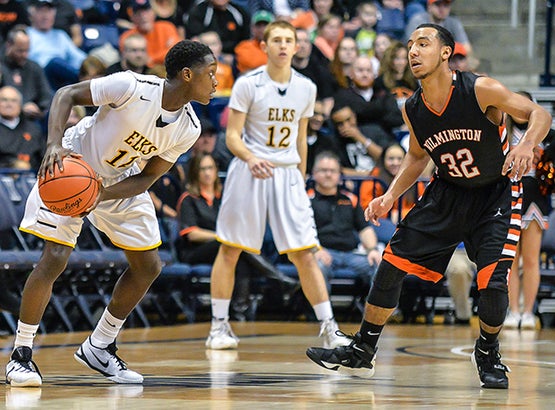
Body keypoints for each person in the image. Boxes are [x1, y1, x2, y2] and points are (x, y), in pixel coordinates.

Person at [306, 23, 552, 389]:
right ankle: (363, 349)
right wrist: (390, 195)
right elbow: (417, 157)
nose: (413, 51)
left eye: (423, 43)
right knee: (390, 263)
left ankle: (487, 351)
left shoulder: (479, 88)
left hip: (494, 195)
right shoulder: (412, 107)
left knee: (492, 281)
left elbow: (540, 115)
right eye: (410, 45)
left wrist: (525, 145)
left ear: (446, 53)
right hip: (446, 194)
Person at [5, 40, 218, 387]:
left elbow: (148, 176)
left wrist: (101, 194)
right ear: (187, 74)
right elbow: (65, 94)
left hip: (119, 179)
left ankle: (99, 346)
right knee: (56, 256)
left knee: (148, 265)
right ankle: (21, 355)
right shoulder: (131, 85)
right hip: (72, 163)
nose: (216, 82)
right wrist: (54, 144)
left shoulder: (189, 128)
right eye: (211, 74)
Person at [205, 20, 347, 351]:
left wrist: (300, 175)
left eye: (289, 40)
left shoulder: (307, 87)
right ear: (265, 47)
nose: (284, 46)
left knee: (305, 253)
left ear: (297, 47)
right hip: (249, 170)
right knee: (230, 249)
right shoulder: (247, 83)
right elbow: (232, 137)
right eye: (277, 40)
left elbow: (301, 139)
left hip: (286, 173)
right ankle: (219, 326)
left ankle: (329, 327)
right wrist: (251, 158)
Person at [176, 153, 298, 321]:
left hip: (227, 246)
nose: (207, 173)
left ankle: (239, 313)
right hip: (195, 251)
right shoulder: (189, 198)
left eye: (210, 168)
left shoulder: (224, 196)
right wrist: (222, 237)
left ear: (216, 170)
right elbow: (191, 234)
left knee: (238, 258)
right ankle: (278, 278)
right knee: (230, 246)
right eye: (202, 169)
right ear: (195, 172)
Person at [504, 91, 554, 330]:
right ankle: (513, 311)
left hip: (536, 198)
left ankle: (528, 311)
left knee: (531, 259)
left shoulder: (545, 134)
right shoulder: (501, 133)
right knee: (511, 260)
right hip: (509, 196)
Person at [309, 151, 381, 291]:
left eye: (333, 171)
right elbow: (301, 233)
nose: (328, 174)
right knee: (316, 266)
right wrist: (315, 250)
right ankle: (323, 312)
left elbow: (365, 229)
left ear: (339, 175)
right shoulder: (306, 200)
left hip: (351, 254)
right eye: (323, 170)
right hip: (322, 252)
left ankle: (375, 311)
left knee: (381, 266)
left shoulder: (350, 199)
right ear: (314, 173)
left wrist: (372, 250)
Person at [333, 54, 404, 141]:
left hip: (385, 141)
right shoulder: (342, 96)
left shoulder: (384, 94)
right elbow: (339, 121)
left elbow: (397, 119)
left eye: (368, 70)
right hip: (353, 143)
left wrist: (362, 115)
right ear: (351, 73)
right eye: (360, 70)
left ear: (374, 74)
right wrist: (380, 112)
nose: (365, 74)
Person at [26, 0, 87, 90]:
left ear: (54, 15)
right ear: (32, 14)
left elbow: (79, 57)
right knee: (55, 63)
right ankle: (86, 81)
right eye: (41, 11)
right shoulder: (27, 34)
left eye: (49, 11)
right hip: (39, 76)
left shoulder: (60, 35)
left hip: (61, 77)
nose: (45, 16)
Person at [1, 25, 52, 120]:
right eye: (20, 51)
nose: (24, 55)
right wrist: (20, 107)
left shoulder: (34, 67)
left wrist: (38, 108)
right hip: (5, 119)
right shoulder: (1, 67)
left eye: (27, 50)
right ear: (9, 45)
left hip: (32, 120)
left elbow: (46, 95)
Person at [185, 0, 251, 66]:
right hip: (207, 57)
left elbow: (246, 40)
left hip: (234, 57)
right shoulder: (199, 11)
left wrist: (235, 56)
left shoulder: (239, 12)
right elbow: (194, 39)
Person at [119, 0, 181, 68]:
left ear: (154, 12)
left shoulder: (167, 27)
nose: (143, 16)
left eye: (146, 11)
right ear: (132, 17)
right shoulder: (127, 36)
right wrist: (164, 54)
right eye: (138, 12)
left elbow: (176, 53)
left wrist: (151, 59)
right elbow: (132, 61)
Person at [0, 86, 44, 170]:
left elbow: (42, 157)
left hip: (31, 178)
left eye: (14, 101)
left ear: (20, 105)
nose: (9, 104)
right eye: (4, 100)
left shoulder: (34, 129)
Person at [234, 10, 274, 74]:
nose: (262, 29)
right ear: (252, 28)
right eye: (259, 26)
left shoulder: (278, 47)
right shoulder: (243, 47)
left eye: (266, 26)